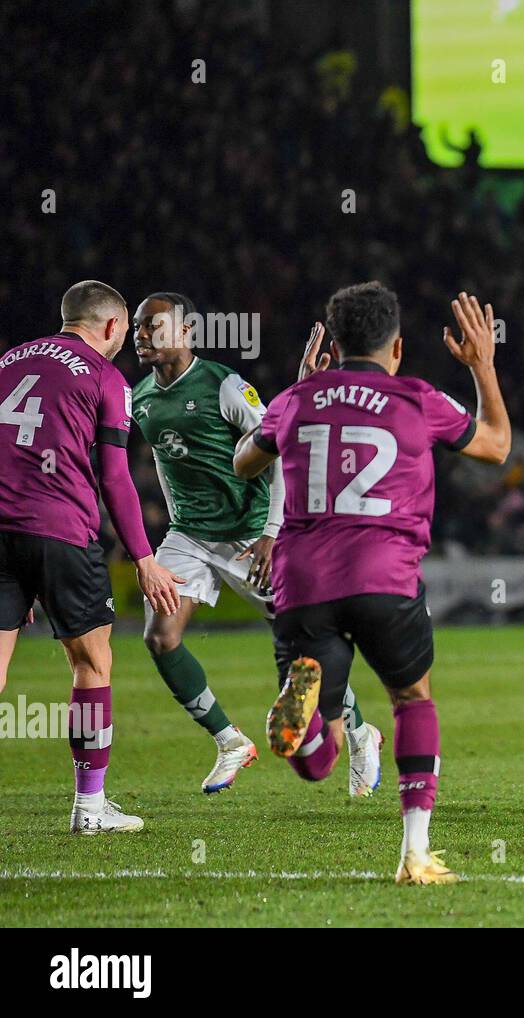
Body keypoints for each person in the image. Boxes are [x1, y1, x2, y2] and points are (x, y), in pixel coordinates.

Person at [233, 284, 510, 883]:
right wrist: (483, 366)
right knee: (412, 699)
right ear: (399, 347)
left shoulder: (297, 399)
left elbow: (243, 463)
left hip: (303, 581)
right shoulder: (417, 397)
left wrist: (297, 389)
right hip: (385, 578)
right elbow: (496, 446)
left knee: (320, 759)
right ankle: (414, 851)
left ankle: (308, 733)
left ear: (333, 344)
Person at [130, 292, 381, 795]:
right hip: (189, 536)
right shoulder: (140, 398)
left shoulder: (223, 385)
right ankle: (229, 740)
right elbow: (166, 461)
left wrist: (273, 531)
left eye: (153, 326)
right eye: (137, 327)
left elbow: (280, 445)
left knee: (302, 652)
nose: (141, 336)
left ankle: (359, 732)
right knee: (160, 637)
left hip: (250, 535)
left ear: (186, 332)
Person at [0, 280, 182, 833]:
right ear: (109, 326)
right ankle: (90, 806)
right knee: (92, 663)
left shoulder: (8, 360)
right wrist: (144, 557)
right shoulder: (105, 376)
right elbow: (115, 477)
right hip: (60, 529)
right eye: (125, 331)